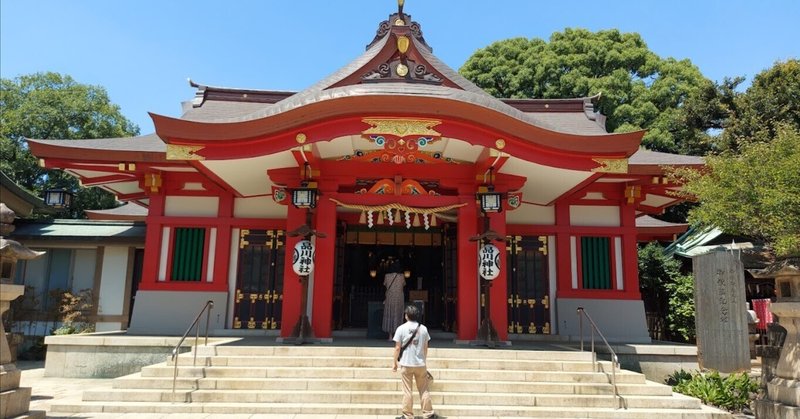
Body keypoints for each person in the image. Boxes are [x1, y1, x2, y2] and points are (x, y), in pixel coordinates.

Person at [392, 304, 435, 419]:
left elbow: (397, 347)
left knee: (407, 390)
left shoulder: (401, 328)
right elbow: (426, 347)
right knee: (424, 389)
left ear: (406, 316)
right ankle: (428, 413)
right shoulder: (424, 329)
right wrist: (424, 360)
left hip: (406, 363)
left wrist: (394, 362)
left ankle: (407, 415)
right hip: (420, 363)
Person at [382, 259, 405, 338]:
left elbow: (385, 285)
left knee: (390, 313)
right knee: (398, 314)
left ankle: (390, 336)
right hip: (399, 297)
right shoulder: (401, 276)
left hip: (390, 297)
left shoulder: (387, 276)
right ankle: (397, 335)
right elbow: (403, 284)